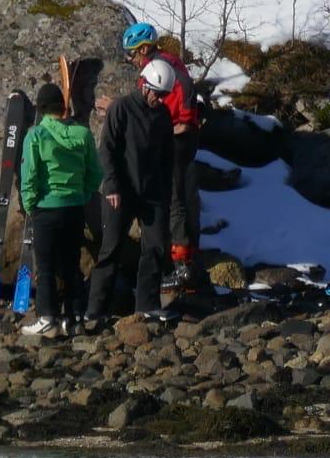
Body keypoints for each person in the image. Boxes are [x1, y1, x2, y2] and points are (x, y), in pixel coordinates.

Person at [85, 59, 176, 325]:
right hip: (121, 193)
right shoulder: (122, 108)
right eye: (157, 94)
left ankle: (148, 304)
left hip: (153, 194)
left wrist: (166, 190)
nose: (160, 99)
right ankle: (96, 308)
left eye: (165, 95)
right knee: (110, 249)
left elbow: (167, 156)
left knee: (157, 246)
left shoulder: (163, 116)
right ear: (145, 86)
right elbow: (108, 149)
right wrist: (111, 186)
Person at [118, 22, 201, 290]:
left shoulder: (164, 67)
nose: (129, 60)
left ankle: (181, 266)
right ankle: (175, 261)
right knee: (174, 197)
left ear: (143, 48)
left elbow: (182, 97)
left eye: (131, 54)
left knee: (176, 198)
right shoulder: (163, 64)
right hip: (173, 135)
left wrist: (182, 124)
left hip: (176, 138)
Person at [18, 83, 103, 338]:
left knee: (45, 266)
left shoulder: (36, 135)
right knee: (71, 264)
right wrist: (84, 194)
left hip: (46, 208)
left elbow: (30, 175)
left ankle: (47, 318)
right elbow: (95, 172)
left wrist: (30, 204)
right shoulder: (83, 134)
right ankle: (74, 318)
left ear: (40, 109)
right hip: (75, 207)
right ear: (63, 107)